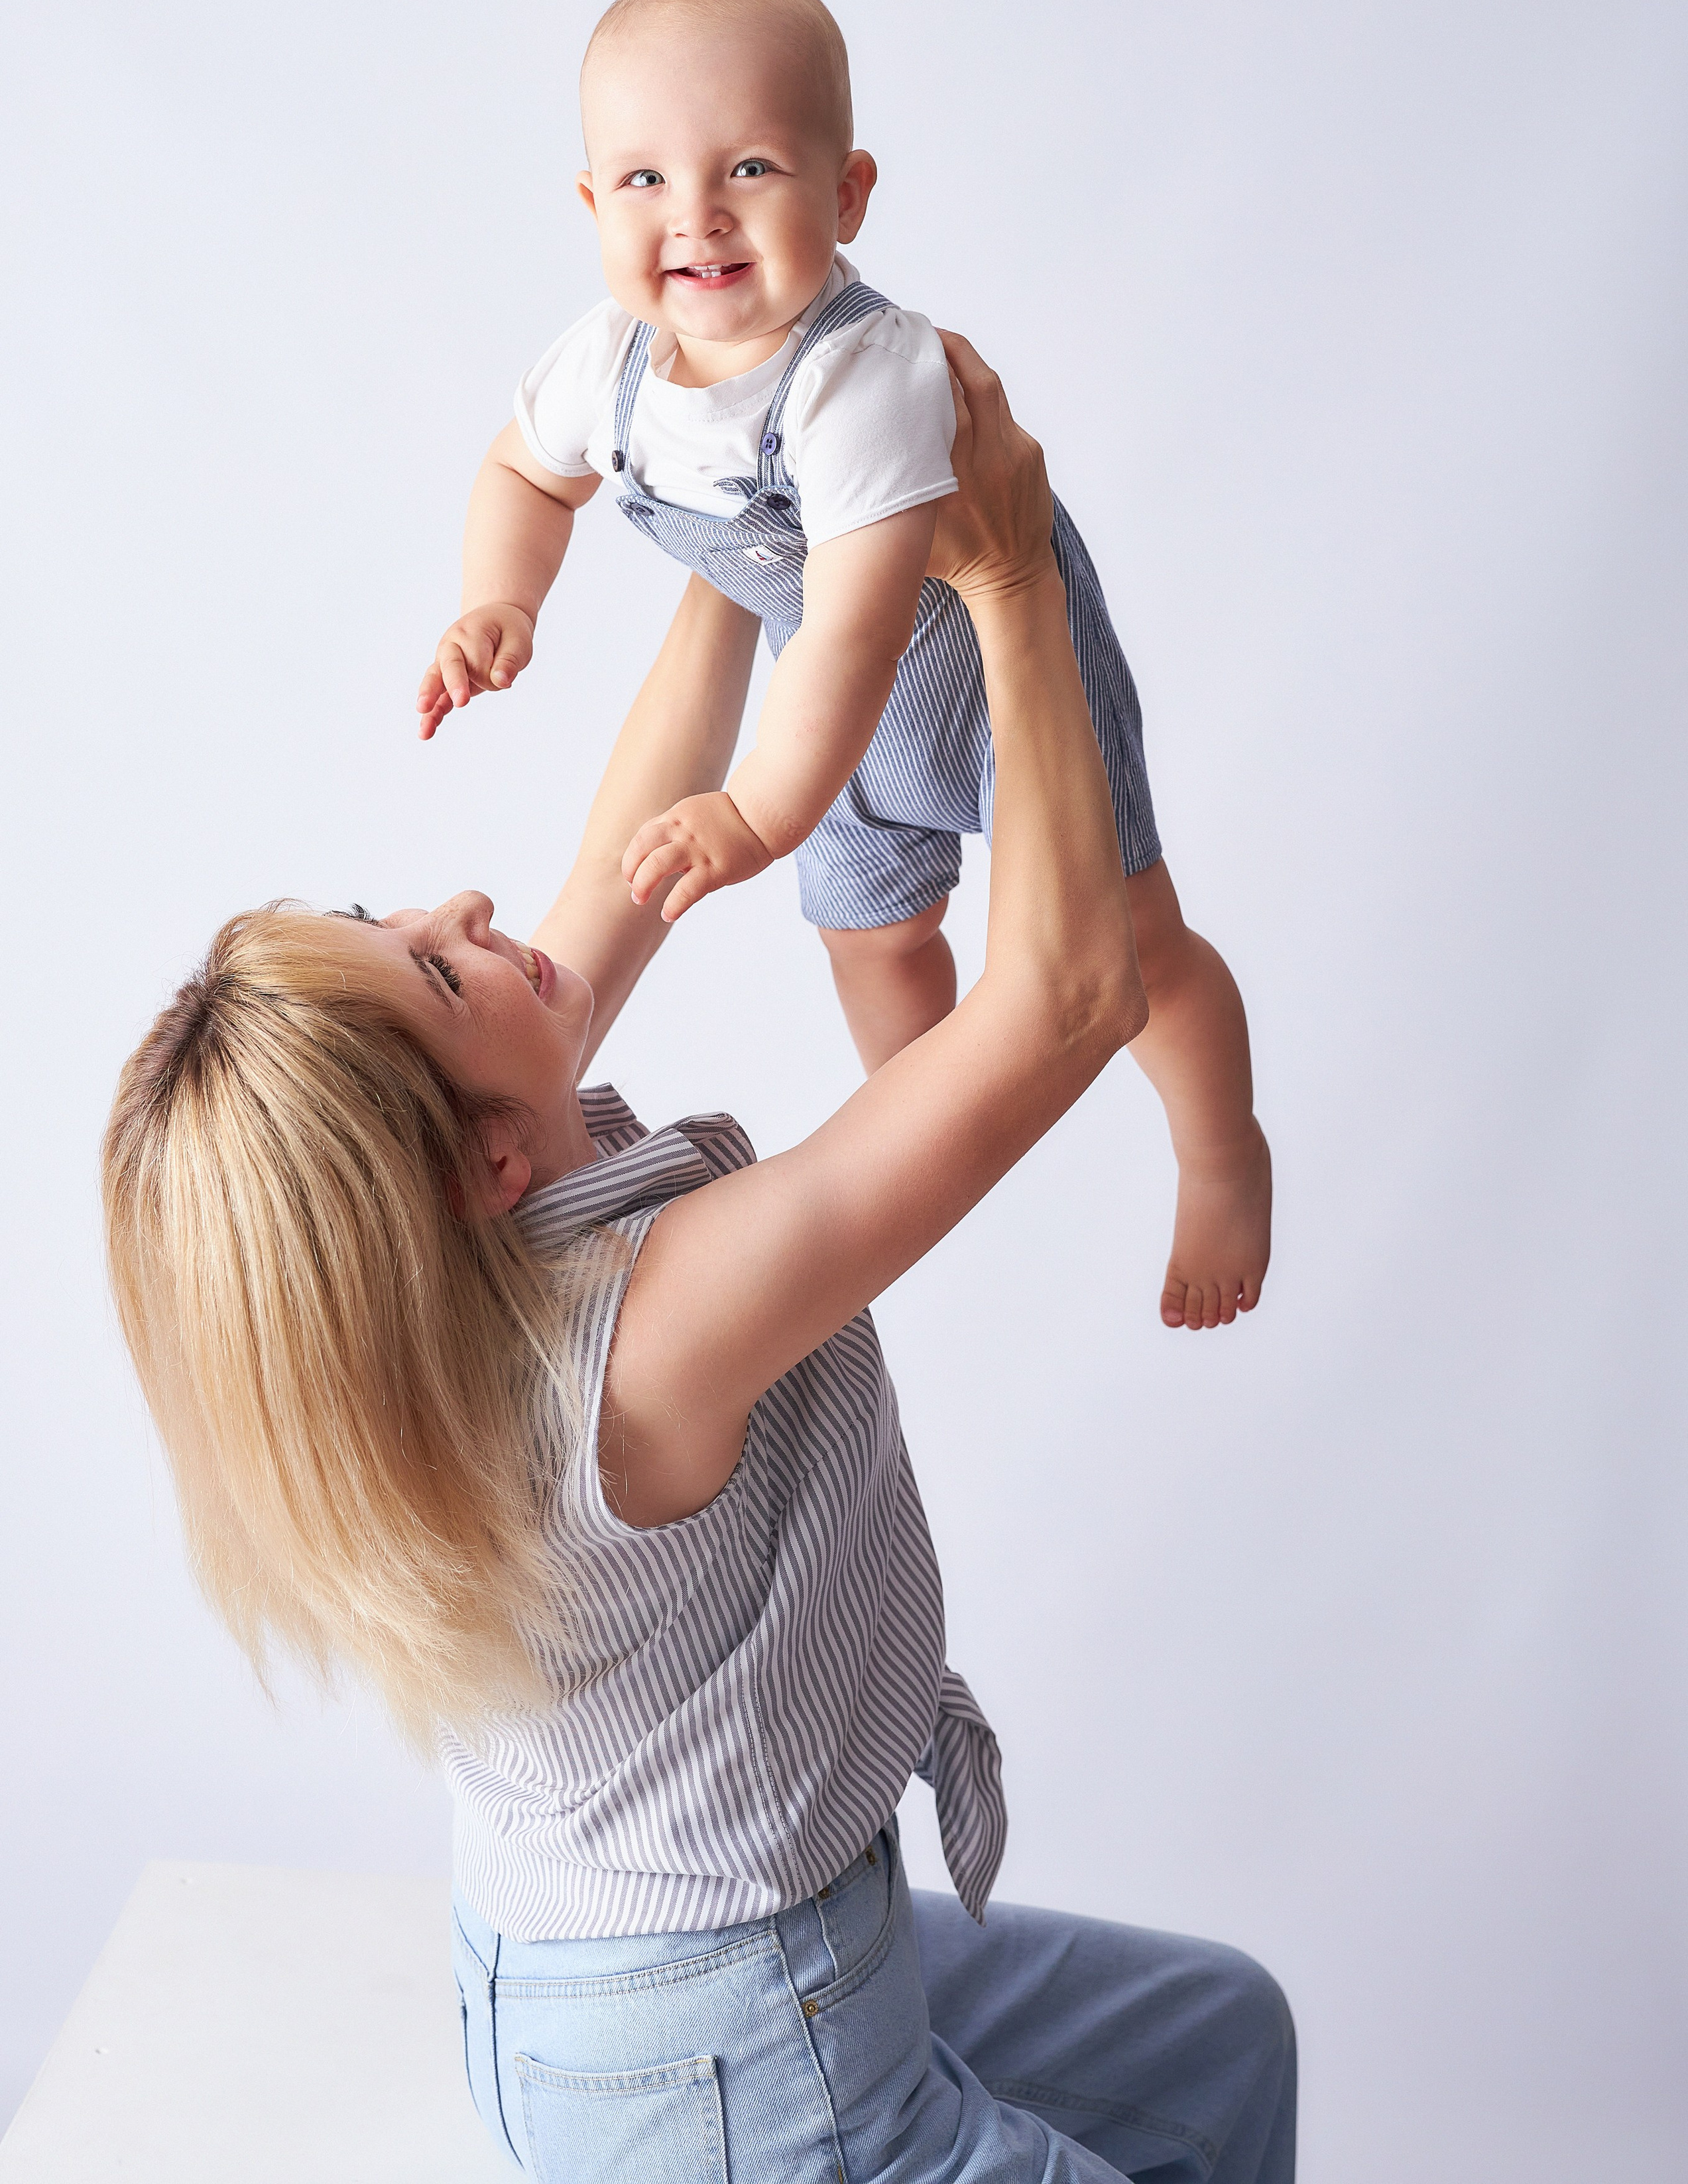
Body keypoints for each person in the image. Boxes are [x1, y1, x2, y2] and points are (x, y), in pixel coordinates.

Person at [107, 345, 1296, 2179]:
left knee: (1219, 2044)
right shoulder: (641, 1347)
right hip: (735, 2061)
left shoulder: (450, 1258)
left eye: (383, 917)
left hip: (623, 1979)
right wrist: (1001, 580)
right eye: (433, 965)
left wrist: (735, 490)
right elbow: (1063, 1004)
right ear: (489, 1163)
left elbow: (633, 849)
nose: (470, 909)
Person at [416, 0, 1270, 1333]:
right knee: (871, 942)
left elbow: (857, 630)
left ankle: (1220, 1145)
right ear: (589, 203)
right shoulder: (606, 365)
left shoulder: (856, 378)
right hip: (824, 720)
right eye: (641, 180)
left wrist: (757, 815)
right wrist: (501, 599)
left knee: (1137, 942)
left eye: (747, 167)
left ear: (845, 194)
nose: (693, 215)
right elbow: (523, 477)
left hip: (982, 676)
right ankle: (935, 1117)